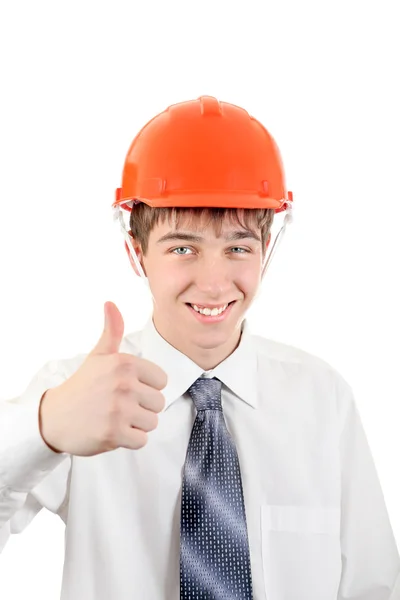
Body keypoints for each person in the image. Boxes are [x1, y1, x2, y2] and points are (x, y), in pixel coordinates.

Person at [0, 95, 399, 600]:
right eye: (183, 248)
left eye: (237, 248)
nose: (213, 284)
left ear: (266, 251)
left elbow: (373, 584)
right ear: (136, 252)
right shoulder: (80, 392)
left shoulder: (323, 399)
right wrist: (43, 428)